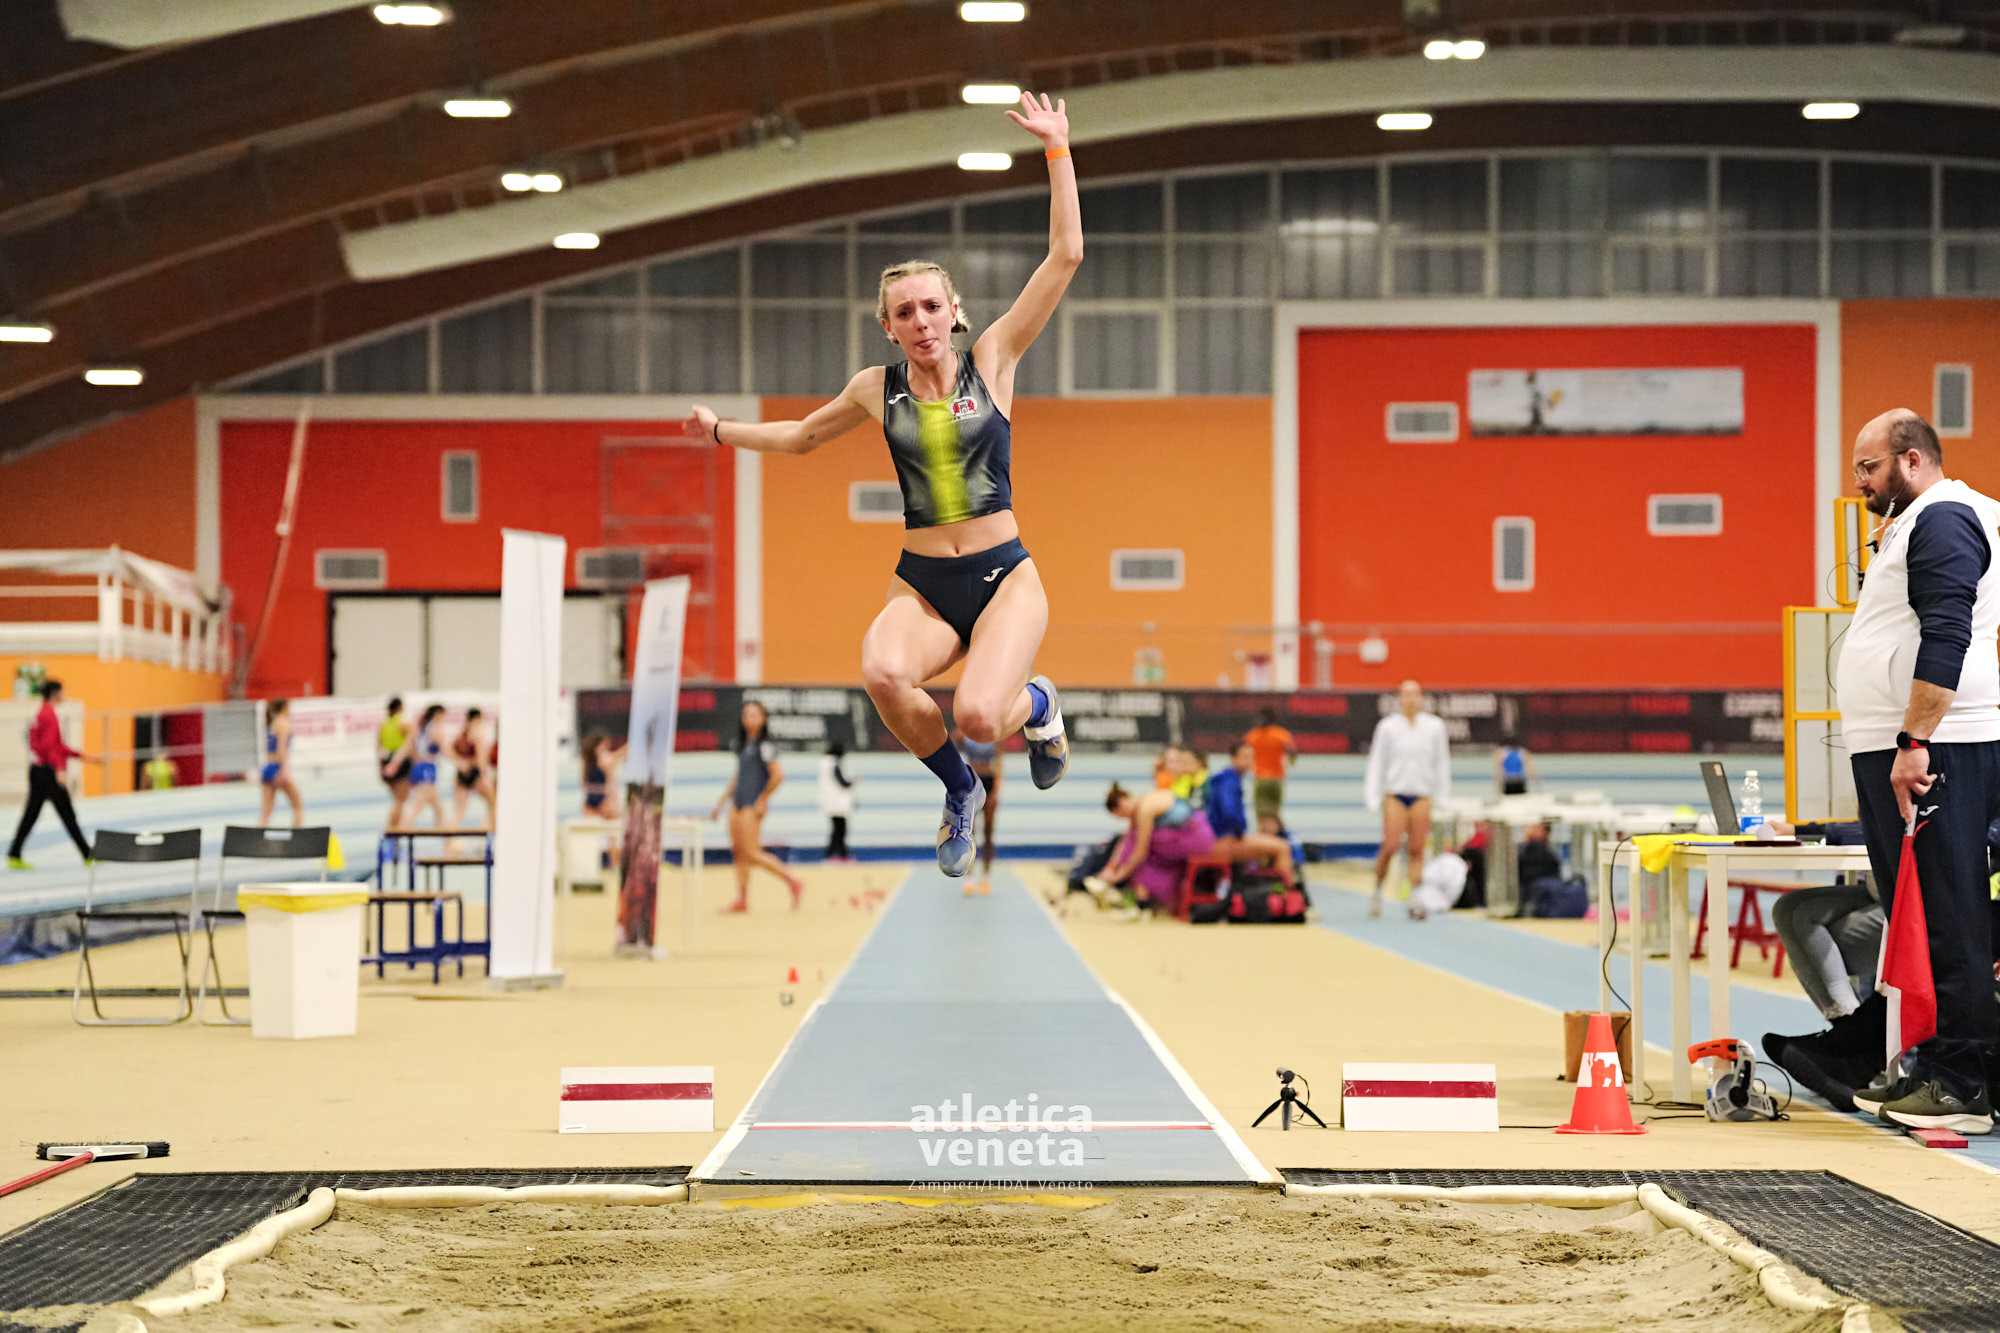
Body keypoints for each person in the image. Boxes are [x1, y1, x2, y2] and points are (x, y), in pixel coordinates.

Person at [688, 91, 1079, 880]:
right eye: (905, 311)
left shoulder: (993, 358)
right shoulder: (877, 388)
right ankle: (959, 789)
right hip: (926, 583)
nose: (922, 320)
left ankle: (1038, 702)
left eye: (932, 305)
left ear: (955, 312)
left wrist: (1057, 149)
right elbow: (801, 437)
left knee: (979, 714)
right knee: (881, 670)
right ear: (888, 326)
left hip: (1004, 577)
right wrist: (722, 430)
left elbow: (1064, 255)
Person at [1833, 408, 2000, 1134]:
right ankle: (1931, 1066)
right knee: (1919, 917)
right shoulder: (1914, 524)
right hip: (1909, 743)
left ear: (1911, 459)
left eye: (1868, 468)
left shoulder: (1945, 516)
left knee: (1949, 915)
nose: (1860, 482)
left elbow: (1948, 631)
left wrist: (1915, 739)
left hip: (1938, 745)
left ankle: (1964, 1082)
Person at [1363, 679, 1452, 918]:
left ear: (1421, 698)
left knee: (1417, 849)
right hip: (1396, 795)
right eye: (1406, 695)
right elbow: (1377, 762)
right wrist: (1372, 795)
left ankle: (1414, 897)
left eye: (1415, 695)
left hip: (1421, 795)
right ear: (1400, 699)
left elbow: (1442, 761)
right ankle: (1377, 890)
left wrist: (1443, 796)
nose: (1411, 700)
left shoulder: (1434, 727)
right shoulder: (1388, 727)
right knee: (1390, 846)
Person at [709, 700, 805, 912]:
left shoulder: (766, 746)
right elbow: (738, 777)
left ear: (763, 719)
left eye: (754, 715)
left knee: (751, 852)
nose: (749, 719)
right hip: (737, 803)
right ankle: (742, 899)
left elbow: (778, 776)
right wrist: (721, 802)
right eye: (746, 715)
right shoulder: (744, 746)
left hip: (751, 805)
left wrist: (763, 798)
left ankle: (792, 880)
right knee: (739, 852)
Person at [7, 679, 92, 869]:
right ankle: (87, 854)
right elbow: (49, 747)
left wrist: (80, 756)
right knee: (66, 813)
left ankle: (14, 853)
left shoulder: (41, 714)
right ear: (55, 693)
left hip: (38, 770)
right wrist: (59, 769)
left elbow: (54, 745)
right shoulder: (49, 715)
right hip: (47, 772)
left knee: (32, 813)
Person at [1101, 780, 1216, 917]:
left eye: (1120, 816)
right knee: (1135, 842)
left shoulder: (1145, 810)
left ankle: (1143, 901)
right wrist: (1111, 866)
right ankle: (1142, 899)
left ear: (1121, 804)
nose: (1123, 819)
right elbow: (1125, 842)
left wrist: (1120, 875)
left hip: (1199, 838)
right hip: (1192, 833)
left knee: (1143, 855)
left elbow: (1140, 851)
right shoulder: (1141, 803)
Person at [1205, 742, 1296, 883]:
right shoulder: (1229, 781)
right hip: (1222, 841)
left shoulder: (1229, 778)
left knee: (1269, 847)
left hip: (1220, 839)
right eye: (1245, 757)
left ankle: (1268, 886)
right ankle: (1288, 891)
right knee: (1282, 848)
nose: (1249, 761)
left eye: (1252, 757)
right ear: (1233, 758)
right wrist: (1239, 831)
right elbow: (1228, 811)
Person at [952, 726, 1000, 894]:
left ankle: (986, 876)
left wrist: (996, 791)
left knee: (988, 832)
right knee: (969, 832)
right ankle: (969, 877)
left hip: (989, 781)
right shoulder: (966, 731)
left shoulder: (994, 732)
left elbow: (999, 763)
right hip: (971, 782)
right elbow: (949, 747)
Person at [385, 704, 447, 829]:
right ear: (437, 715)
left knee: (439, 808)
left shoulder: (417, 730)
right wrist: (462, 763)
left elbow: (405, 749)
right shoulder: (435, 730)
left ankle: (446, 837)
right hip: (427, 771)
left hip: (419, 770)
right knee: (417, 808)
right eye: (442, 716)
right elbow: (446, 750)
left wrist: (393, 763)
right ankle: (398, 830)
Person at [1242, 708, 1297, 834]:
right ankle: (1280, 837)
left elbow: (1244, 752)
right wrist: (1291, 765)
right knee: (1273, 813)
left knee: (1262, 815)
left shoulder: (1253, 735)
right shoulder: (1281, 734)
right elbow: (1292, 751)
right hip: (1276, 779)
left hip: (1261, 779)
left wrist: (1248, 767)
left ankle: (1266, 840)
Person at [257, 698, 304, 828]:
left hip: (268, 768)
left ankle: (259, 834)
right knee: (298, 806)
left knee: (266, 811)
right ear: (284, 708)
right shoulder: (284, 722)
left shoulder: (273, 722)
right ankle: (296, 834)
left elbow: (270, 750)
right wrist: (283, 769)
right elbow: (281, 748)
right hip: (279, 768)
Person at [450, 707, 496, 830]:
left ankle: (450, 840)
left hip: (462, 773)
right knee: (493, 804)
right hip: (476, 772)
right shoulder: (478, 731)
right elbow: (481, 756)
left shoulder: (461, 733)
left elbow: (452, 751)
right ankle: (487, 830)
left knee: (459, 812)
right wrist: (483, 774)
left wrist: (461, 763)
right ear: (478, 718)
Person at [376, 696, 412, 831]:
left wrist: (381, 767)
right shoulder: (403, 724)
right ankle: (392, 830)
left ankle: (395, 828)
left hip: (386, 760)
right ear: (401, 708)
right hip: (399, 761)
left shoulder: (383, 724)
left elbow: (378, 747)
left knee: (397, 800)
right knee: (400, 801)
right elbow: (409, 745)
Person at [819, 740, 857, 864]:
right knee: (840, 830)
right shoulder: (833, 764)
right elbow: (843, 783)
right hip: (837, 804)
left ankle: (834, 853)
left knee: (836, 829)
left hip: (831, 802)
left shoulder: (825, 764)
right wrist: (853, 781)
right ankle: (838, 854)